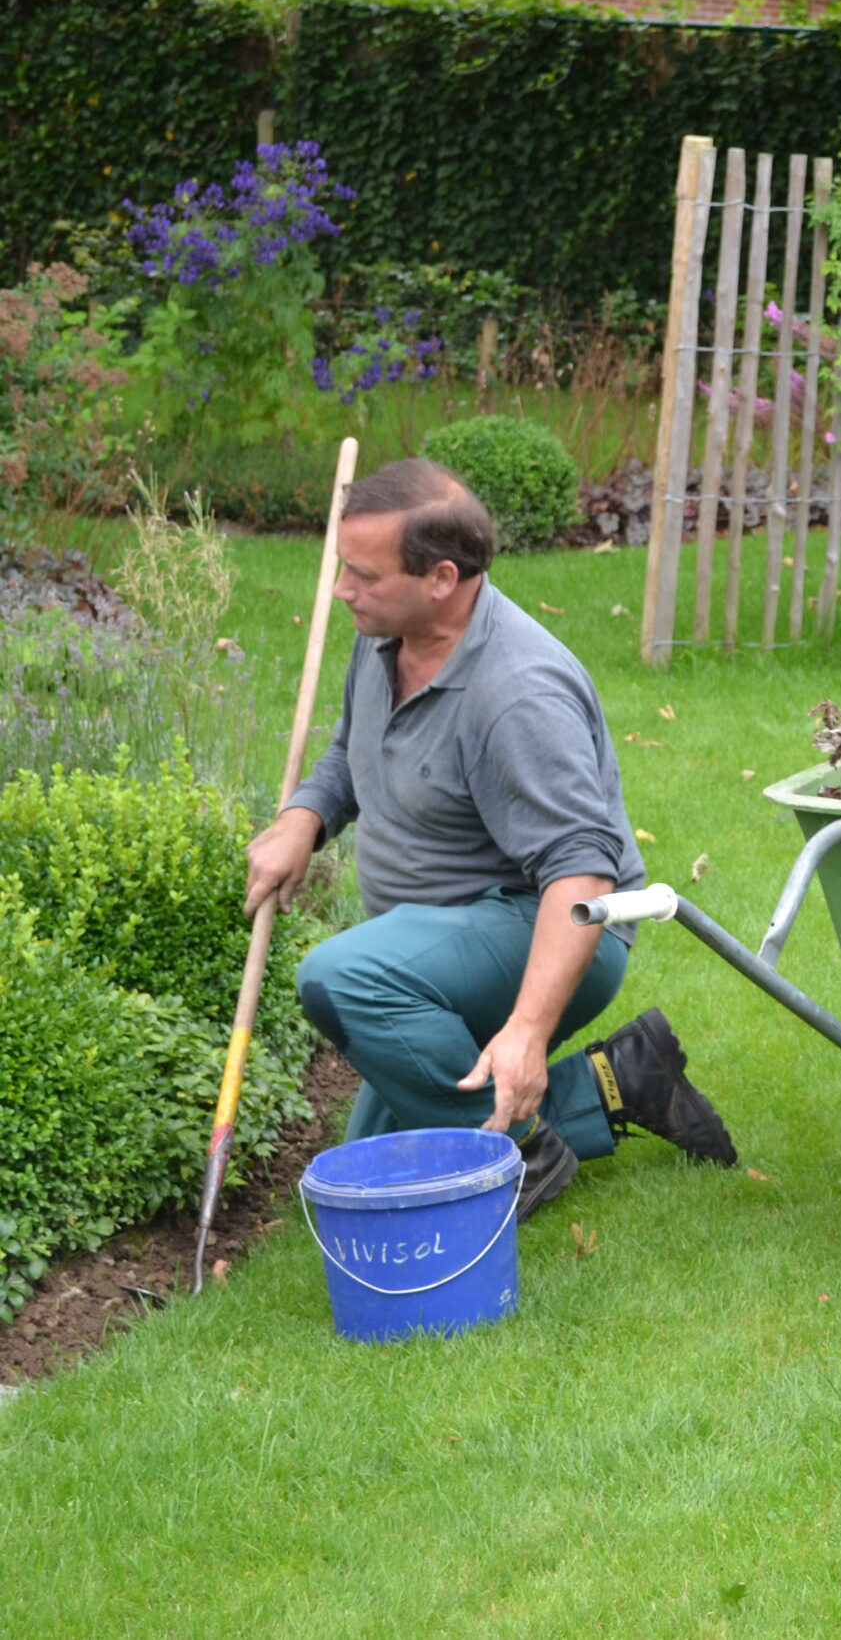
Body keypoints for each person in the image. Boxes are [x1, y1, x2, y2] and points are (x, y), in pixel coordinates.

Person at [244, 459, 734, 1214]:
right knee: (382, 1167)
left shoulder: (516, 695)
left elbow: (582, 875)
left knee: (341, 976)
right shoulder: (385, 631)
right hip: (434, 948)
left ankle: (526, 1160)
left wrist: (528, 1030)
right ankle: (624, 1080)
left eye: (363, 575)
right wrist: (302, 819)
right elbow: (353, 748)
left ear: (441, 577)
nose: (343, 590)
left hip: (548, 929)